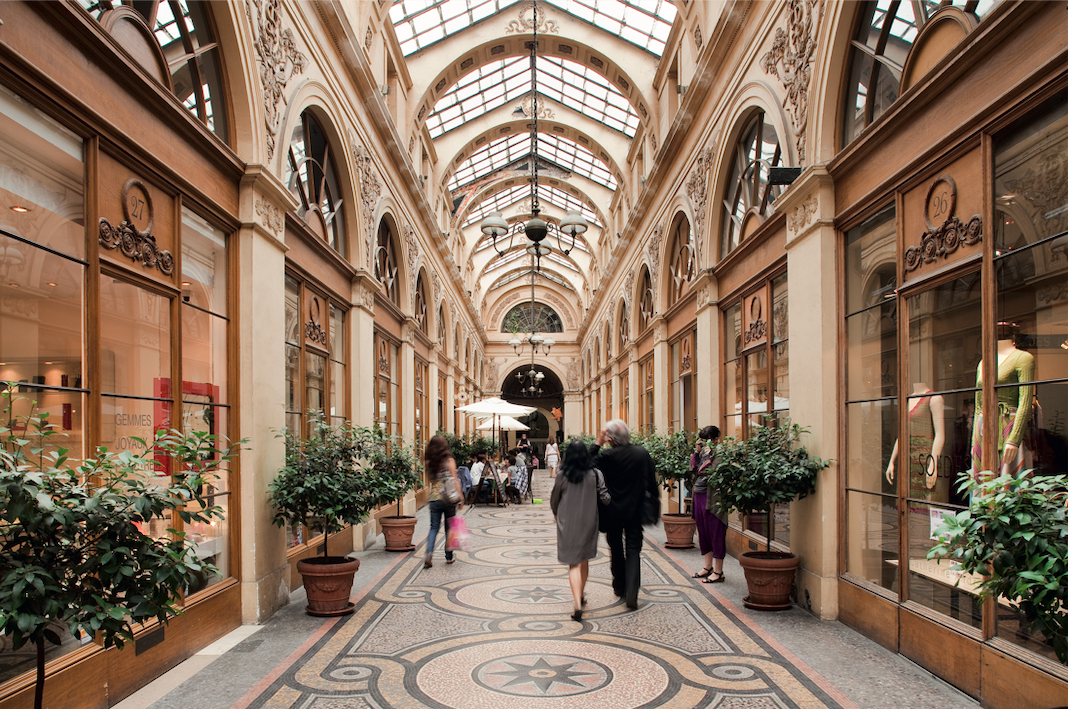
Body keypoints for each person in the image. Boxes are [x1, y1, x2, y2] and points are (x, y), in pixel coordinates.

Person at [590, 419, 658, 610]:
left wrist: (597, 443)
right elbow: (651, 482)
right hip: (635, 511)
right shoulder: (641, 453)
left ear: (610, 439)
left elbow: (585, 467)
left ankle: (620, 586)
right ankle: (632, 592)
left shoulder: (606, 456)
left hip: (611, 511)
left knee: (616, 548)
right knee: (634, 549)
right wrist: (653, 504)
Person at [551, 439, 610, 621]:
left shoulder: (563, 474)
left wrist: (555, 513)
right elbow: (605, 498)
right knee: (583, 559)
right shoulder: (595, 473)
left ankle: (577, 602)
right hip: (589, 521)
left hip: (567, 522)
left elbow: (555, 498)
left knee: (573, 563)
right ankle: (581, 594)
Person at [690, 425, 727, 584]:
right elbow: (693, 468)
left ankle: (718, 571)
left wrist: (708, 454)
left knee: (715, 532)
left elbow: (707, 471)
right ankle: (707, 567)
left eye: (707, 440)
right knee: (703, 531)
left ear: (715, 439)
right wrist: (697, 453)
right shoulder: (703, 453)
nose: (704, 443)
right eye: (702, 440)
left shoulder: (720, 453)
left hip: (712, 497)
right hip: (698, 495)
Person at [423, 434, 463, 568]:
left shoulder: (429, 462)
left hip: (434, 498)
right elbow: (455, 479)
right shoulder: (449, 460)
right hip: (448, 498)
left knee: (434, 527)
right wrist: (461, 497)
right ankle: (449, 556)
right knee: (449, 528)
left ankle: (429, 553)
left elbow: (431, 480)